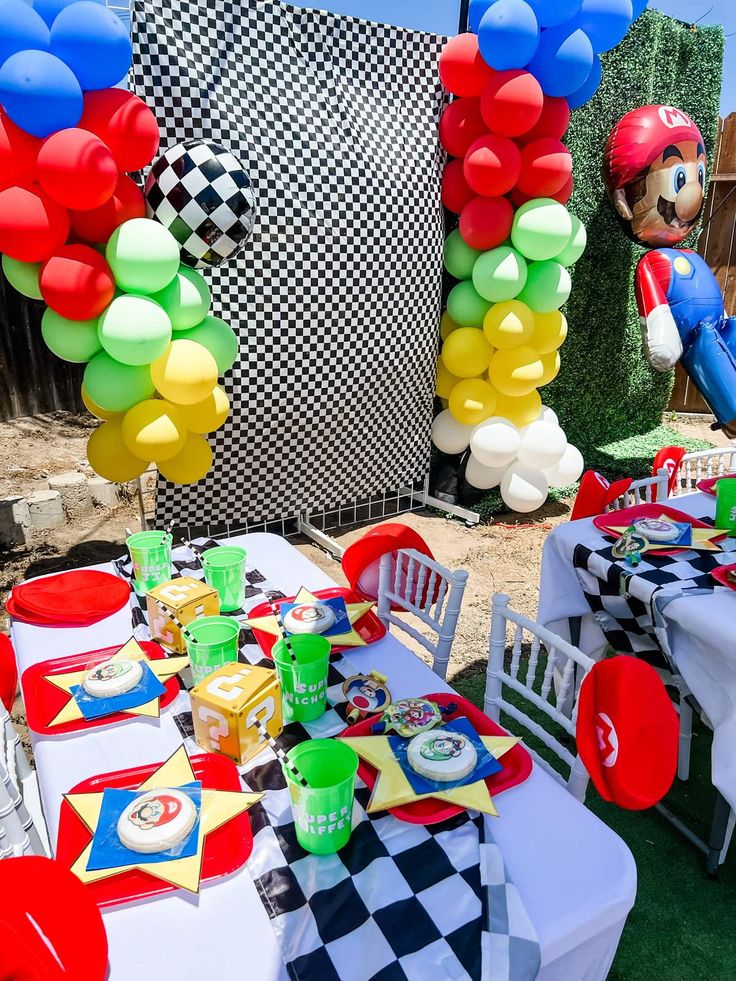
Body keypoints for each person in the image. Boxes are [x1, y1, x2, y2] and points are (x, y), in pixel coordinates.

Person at [605, 105, 736, 435]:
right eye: (679, 178)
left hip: (720, 326)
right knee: (724, 387)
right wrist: (662, 338)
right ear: (625, 196)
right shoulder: (653, 262)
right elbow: (655, 307)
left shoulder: (688, 253)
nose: (692, 193)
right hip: (700, 337)